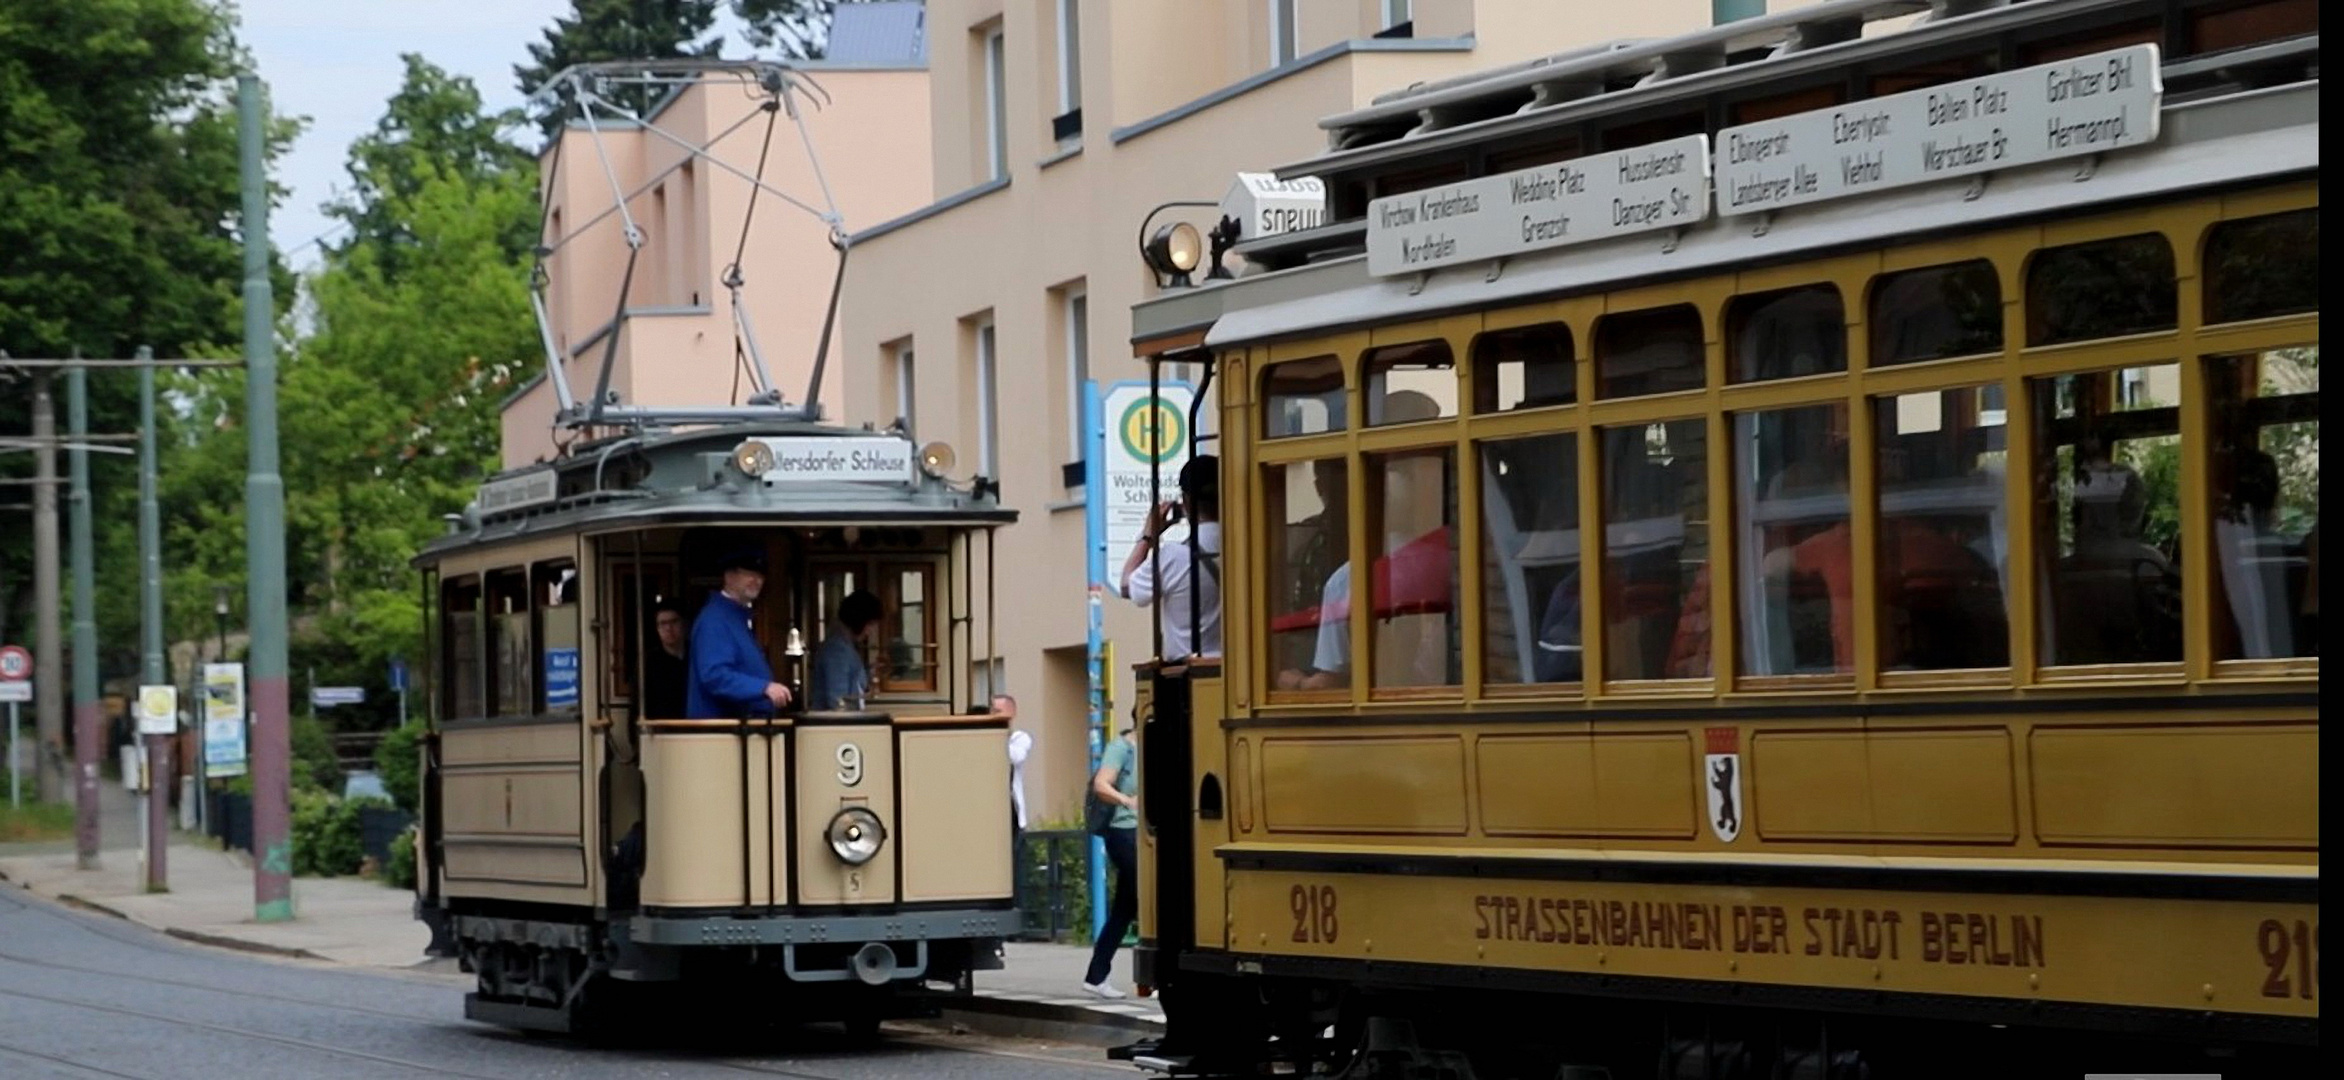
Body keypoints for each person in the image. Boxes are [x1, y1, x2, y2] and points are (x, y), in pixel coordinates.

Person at [1120, 455, 1222, 660]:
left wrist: (1148, 535)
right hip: (1242, 670)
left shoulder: (1174, 556)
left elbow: (1126, 586)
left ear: (1186, 501)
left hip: (1192, 675)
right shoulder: (1247, 545)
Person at [685, 547, 793, 718]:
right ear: (729, 577)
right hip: (723, 733)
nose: (757, 581)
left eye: (760, 576)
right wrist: (763, 688)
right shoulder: (714, 620)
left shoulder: (736, 618)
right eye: (749, 574)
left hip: (743, 731)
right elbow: (714, 676)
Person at [1083, 726, 1139, 999]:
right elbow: (1102, 784)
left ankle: (1096, 976)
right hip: (1124, 831)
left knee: (1126, 908)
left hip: (1142, 833)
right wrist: (1127, 801)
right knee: (1148, 899)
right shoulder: (1122, 747)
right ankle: (1155, 977)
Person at [808, 590, 883, 711]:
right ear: (859, 620)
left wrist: (870, 672)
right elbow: (838, 701)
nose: (870, 631)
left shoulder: (846, 648)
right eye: (870, 624)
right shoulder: (836, 650)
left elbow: (855, 686)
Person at [641, 600, 688, 721]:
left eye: (674, 622)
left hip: (693, 727)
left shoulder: (696, 656)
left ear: (684, 624)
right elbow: (639, 703)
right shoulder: (648, 662)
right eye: (663, 623)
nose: (669, 628)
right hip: (660, 731)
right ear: (657, 628)